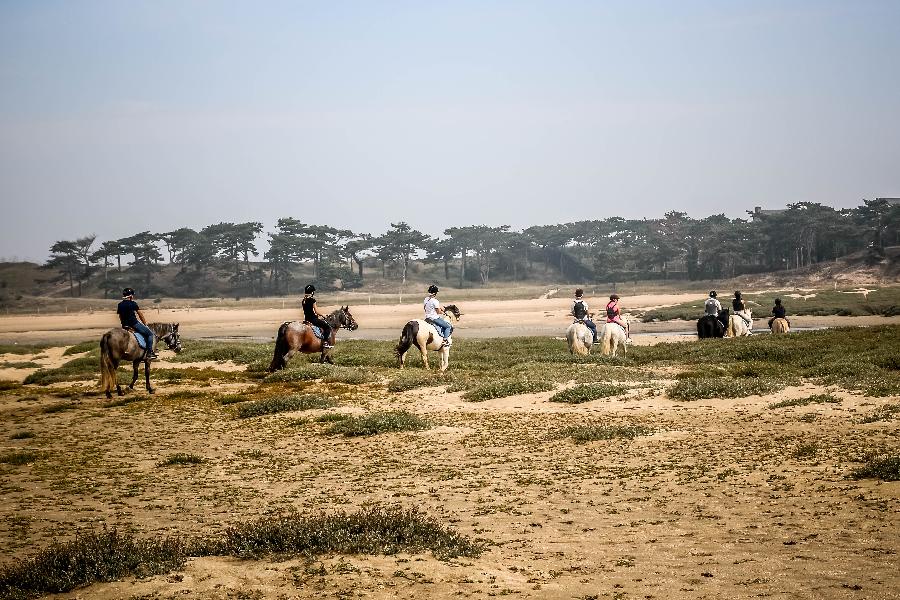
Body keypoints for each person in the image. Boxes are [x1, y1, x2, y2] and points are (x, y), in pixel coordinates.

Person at [117, 288, 157, 359]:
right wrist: (145, 324)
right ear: (131, 296)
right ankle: (149, 353)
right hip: (134, 324)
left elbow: (120, 316)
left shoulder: (120, 304)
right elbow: (140, 314)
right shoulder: (133, 303)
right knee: (150, 334)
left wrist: (124, 325)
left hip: (125, 325)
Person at [301, 284, 333, 349]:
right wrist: (323, 315)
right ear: (312, 292)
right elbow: (317, 312)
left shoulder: (303, 300)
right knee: (327, 327)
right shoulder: (312, 300)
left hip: (306, 319)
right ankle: (325, 342)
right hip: (313, 319)